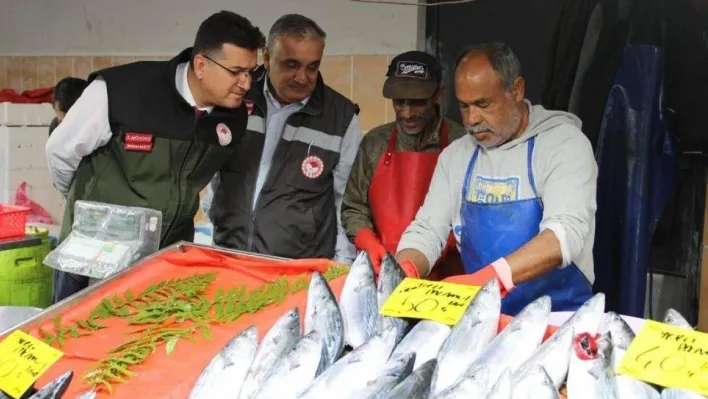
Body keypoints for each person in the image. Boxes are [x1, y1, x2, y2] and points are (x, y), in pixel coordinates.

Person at [45, 11, 265, 303]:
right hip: (91, 261)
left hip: (162, 264)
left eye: (251, 71)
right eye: (236, 71)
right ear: (201, 65)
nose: (246, 83)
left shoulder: (233, 118)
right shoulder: (120, 91)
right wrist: (84, 209)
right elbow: (60, 152)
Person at [395, 42, 597, 316]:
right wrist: (406, 267)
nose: (472, 119)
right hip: (484, 319)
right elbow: (428, 229)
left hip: (558, 319)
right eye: (464, 106)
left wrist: (490, 278)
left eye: (483, 104)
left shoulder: (564, 144)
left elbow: (563, 236)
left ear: (516, 90)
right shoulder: (457, 156)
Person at [209, 14, 362, 264]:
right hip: (229, 258)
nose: (302, 77)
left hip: (297, 270)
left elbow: (346, 201)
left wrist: (342, 267)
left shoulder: (340, 117)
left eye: (312, 66)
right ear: (267, 58)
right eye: (290, 65)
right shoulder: (236, 100)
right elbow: (216, 174)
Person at [341, 50, 466, 279]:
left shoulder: (462, 143)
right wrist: (368, 242)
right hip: (385, 272)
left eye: (417, 103)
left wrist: (447, 241)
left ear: (438, 94)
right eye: (399, 102)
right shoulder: (374, 143)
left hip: (448, 279)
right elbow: (354, 206)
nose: (407, 113)